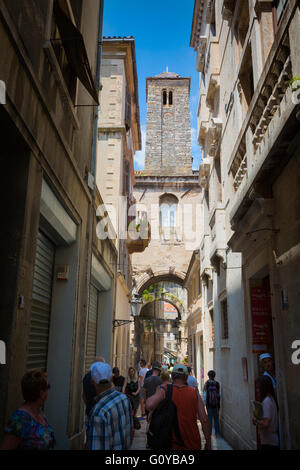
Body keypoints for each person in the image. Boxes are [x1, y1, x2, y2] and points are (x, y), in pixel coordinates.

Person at [146, 363, 211, 450]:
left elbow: (149, 405)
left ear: (172, 377)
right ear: (186, 377)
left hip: (171, 443)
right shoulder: (194, 393)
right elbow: (204, 419)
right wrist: (208, 441)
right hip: (192, 442)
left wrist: (158, 391)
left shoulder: (164, 390)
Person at [0, 370, 55, 450]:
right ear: (41, 393)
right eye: (48, 387)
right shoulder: (20, 419)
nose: (48, 391)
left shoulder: (39, 413)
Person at [86, 361, 133, 450]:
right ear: (111, 378)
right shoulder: (124, 399)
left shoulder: (99, 412)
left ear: (92, 381)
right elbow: (131, 432)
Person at [253, 375, 279, 451]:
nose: (257, 390)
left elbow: (265, 423)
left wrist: (255, 420)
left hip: (269, 442)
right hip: (270, 441)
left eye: (259, 388)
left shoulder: (266, 401)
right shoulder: (271, 399)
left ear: (264, 387)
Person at [204, 370, 221, 436]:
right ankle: (217, 433)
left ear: (208, 376)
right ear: (214, 376)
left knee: (210, 419)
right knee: (216, 419)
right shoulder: (217, 384)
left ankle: (209, 433)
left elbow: (205, 394)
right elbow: (218, 394)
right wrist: (218, 404)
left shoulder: (207, 383)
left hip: (209, 404)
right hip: (216, 404)